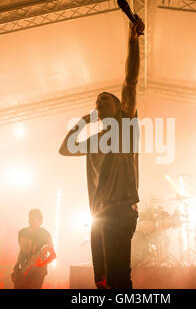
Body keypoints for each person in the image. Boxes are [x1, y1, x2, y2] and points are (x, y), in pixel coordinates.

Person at [59, 16, 145, 289]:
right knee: (103, 280)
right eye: (97, 102)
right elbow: (64, 149)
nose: (99, 102)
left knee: (119, 278)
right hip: (98, 213)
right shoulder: (95, 139)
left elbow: (130, 81)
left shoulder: (125, 125)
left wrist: (133, 42)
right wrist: (84, 121)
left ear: (120, 107)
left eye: (105, 99)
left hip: (120, 209)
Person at [11, 209, 56, 289]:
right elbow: (22, 251)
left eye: (35, 216)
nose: (32, 218)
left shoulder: (45, 234)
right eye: (30, 216)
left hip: (38, 272)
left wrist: (41, 263)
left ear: (40, 219)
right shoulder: (22, 232)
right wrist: (16, 267)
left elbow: (53, 255)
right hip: (23, 270)